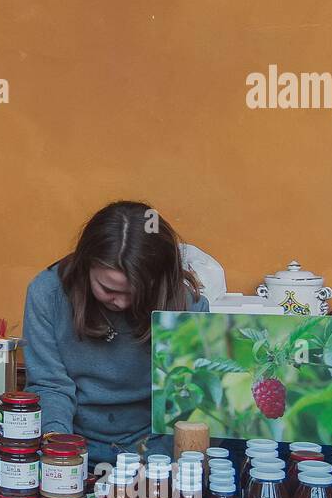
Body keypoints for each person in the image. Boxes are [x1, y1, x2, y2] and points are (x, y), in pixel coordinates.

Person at [22, 201, 209, 469]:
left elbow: (185, 406)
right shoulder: (47, 293)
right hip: (74, 447)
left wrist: (157, 467)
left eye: (134, 292)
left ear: (158, 280)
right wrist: (60, 450)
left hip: (157, 453)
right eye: (108, 288)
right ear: (85, 267)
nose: (120, 303)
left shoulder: (187, 305)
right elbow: (50, 386)